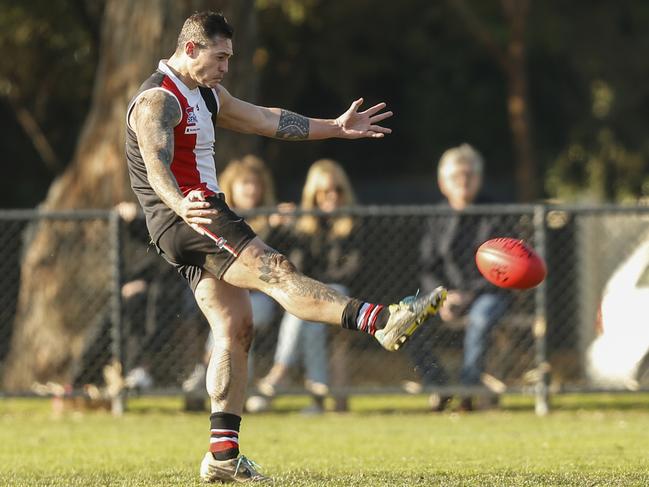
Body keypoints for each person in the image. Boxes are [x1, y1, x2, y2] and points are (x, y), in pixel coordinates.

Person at [125, 11, 446, 483]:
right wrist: (182, 204)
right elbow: (155, 164)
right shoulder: (158, 98)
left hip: (182, 221)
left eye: (230, 58)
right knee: (274, 268)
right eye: (220, 57)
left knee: (235, 326)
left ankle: (222, 456)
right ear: (191, 49)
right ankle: (378, 319)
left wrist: (334, 127)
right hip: (193, 214)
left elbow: (263, 119)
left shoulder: (206, 94)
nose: (226, 67)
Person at [256, 159, 361, 414]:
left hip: (341, 293)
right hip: (305, 296)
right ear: (313, 194)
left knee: (309, 304)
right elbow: (265, 258)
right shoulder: (302, 225)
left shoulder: (353, 224)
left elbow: (352, 270)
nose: (332, 196)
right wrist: (275, 224)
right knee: (307, 317)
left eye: (337, 189)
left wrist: (318, 285)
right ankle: (317, 396)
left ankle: (280, 371)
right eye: (324, 191)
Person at [412, 143, 509, 412]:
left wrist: (470, 295)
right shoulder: (436, 218)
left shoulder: (495, 214)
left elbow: (504, 270)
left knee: (479, 319)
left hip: (488, 294)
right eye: (456, 176)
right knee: (406, 322)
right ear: (443, 183)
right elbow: (427, 267)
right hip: (444, 295)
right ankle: (440, 387)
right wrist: (443, 297)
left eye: (469, 175)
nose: (463, 181)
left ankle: (467, 392)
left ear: (478, 179)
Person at [182, 155, 281, 396]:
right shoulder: (218, 218)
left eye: (256, 184)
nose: (252, 189)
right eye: (245, 183)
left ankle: (210, 377)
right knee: (225, 318)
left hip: (261, 296)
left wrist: (282, 226)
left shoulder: (272, 220)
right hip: (222, 290)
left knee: (240, 318)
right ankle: (227, 385)